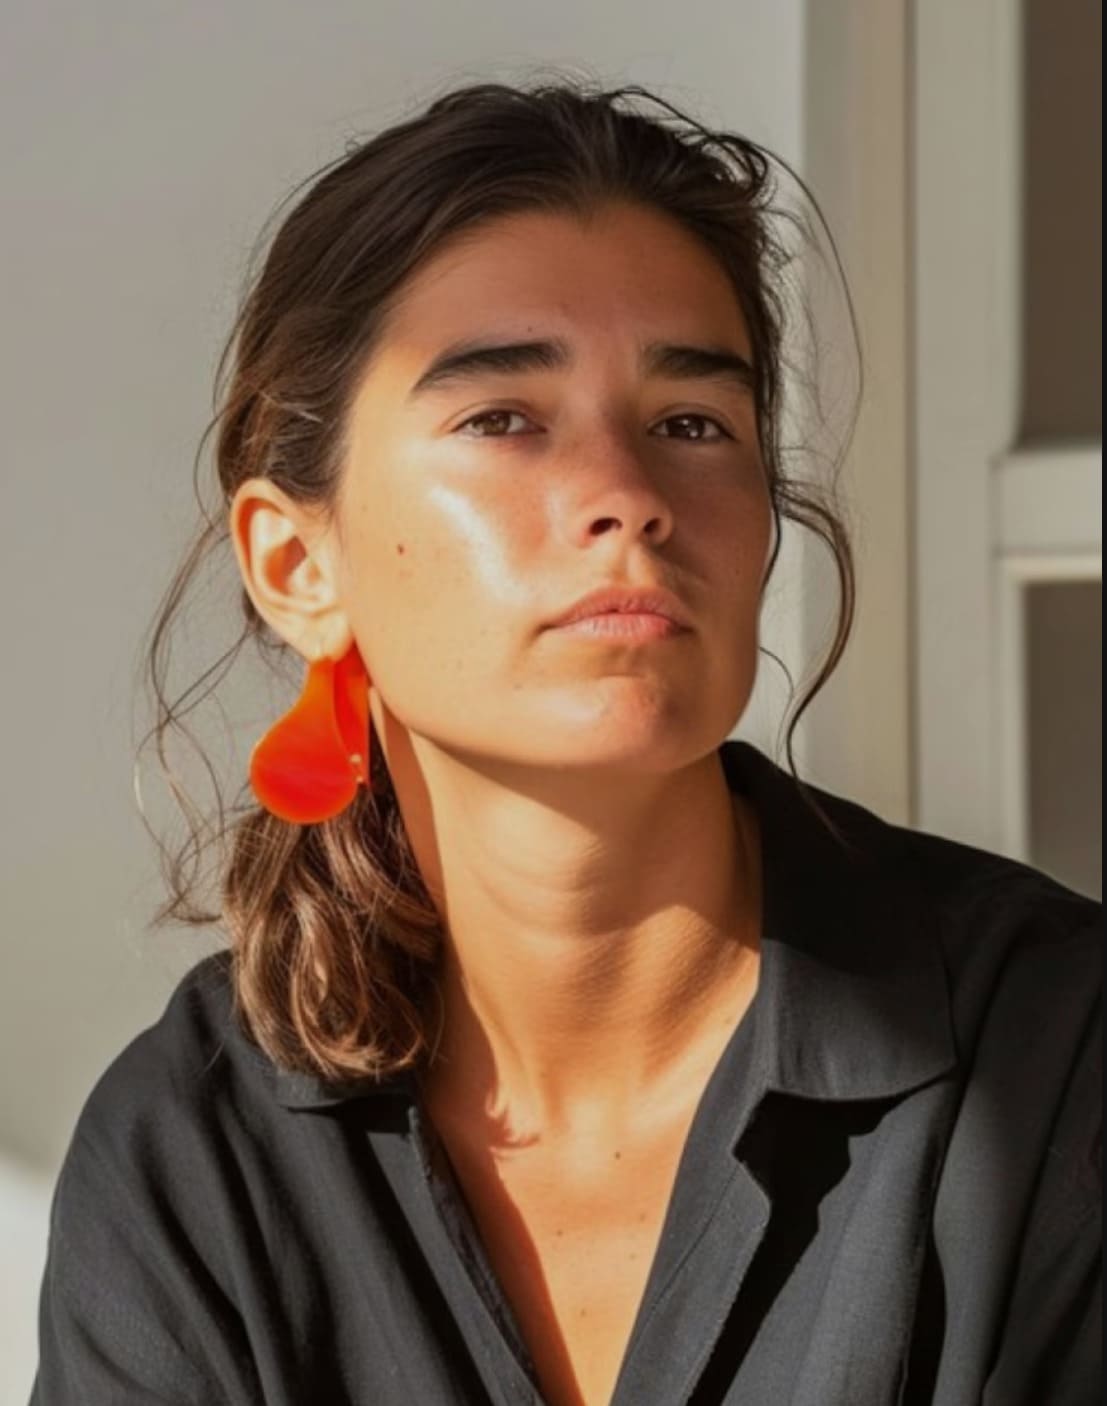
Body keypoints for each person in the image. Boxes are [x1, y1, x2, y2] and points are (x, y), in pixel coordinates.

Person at [30, 77, 1101, 1406]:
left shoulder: (1057, 1058)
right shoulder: (191, 1159)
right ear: (298, 561)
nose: (629, 498)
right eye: (505, 419)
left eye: (692, 424)